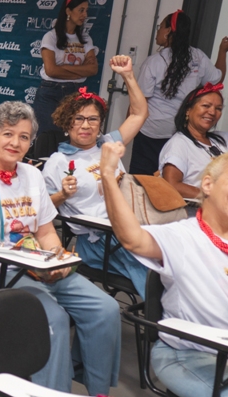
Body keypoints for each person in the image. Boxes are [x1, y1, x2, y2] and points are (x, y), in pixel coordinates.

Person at [0, 101, 121, 395]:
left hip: (39, 268)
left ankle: (97, 390)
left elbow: (45, 230)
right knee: (53, 318)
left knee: (106, 308)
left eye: (23, 136)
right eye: (7, 134)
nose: (15, 142)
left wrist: (57, 258)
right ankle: (53, 390)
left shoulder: (32, 174)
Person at [101, 142, 228, 397]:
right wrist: (107, 174)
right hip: (188, 355)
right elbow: (132, 239)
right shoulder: (181, 236)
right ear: (207, 185)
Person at [42, 55, 149, 297]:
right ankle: (163, 326)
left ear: (100, 124)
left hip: (132, 228)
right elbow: (41, 209)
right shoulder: (57, 162)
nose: (85, 125)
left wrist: (128, 76)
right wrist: (62, 194)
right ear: (66, 123)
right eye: (78, 119)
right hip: (99, 241)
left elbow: (139, 114)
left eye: (92, 119)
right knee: (154, 270)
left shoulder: (108, 144)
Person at [131, 10, 228, 175]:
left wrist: (129, 129)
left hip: (151, 133)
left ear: (168, 31)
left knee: (143, 179)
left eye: (160, 27)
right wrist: (222, 51)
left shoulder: (154, 62)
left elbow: (139, 103)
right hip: (180, 132)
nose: (158, 32)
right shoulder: (198, 57)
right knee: (173, 180)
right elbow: (217, 80)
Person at [32, 0, 98, 137]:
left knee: (71, 138)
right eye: (81, 10)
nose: (85, 14)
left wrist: (62, 67)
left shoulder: (86, 39)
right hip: (50, 93)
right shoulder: (51, 37)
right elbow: (51, 70)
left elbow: (93, 69)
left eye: (86, 10)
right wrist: (81, 70)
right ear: (68, 11)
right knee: (47, 139)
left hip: (75, 93)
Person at [159, 82, 227, 200]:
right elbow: (171, 184)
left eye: (218, 108)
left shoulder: (222, 139)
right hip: (197, 210)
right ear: (188, 110)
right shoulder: (179, 144)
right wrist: (212, 197)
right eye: (206, 106)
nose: (212, 112)